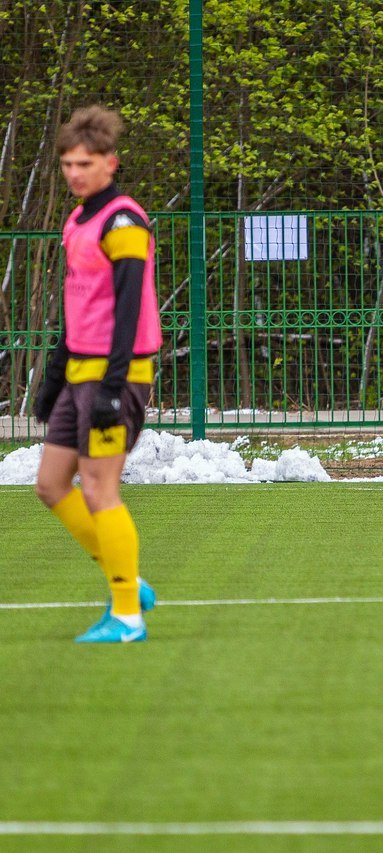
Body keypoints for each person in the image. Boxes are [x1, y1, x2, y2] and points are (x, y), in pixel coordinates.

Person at [31, 106, 160, 643]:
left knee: (101, 490)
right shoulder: (77, 220)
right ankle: (126, 576)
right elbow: (77, 306)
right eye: (67, 164)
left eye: (84, 163)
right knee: (50, 484)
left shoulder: (123, 220)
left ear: (111, 162)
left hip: (116, 375)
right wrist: (53, 378)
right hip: (79, 371)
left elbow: (128, 309)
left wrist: (111, 387)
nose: (74, 173)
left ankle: (127, 615)